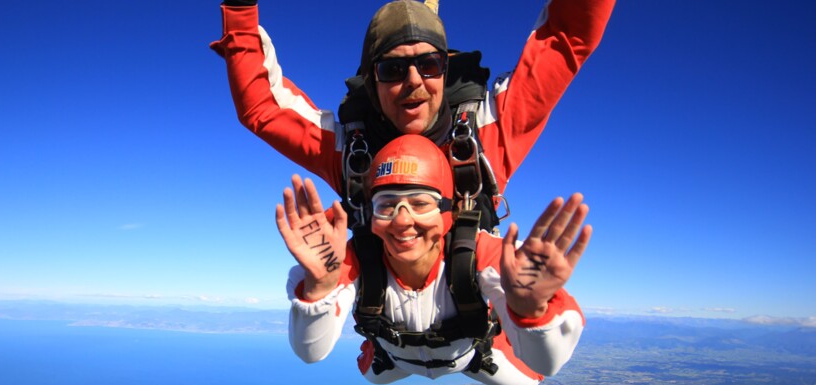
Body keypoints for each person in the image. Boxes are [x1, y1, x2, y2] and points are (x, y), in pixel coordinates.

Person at [212, 0, 615, 221]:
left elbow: (568, 35)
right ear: (371, 82)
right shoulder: (352, 148)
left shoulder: (489, 128)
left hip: (479, 344)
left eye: (429, 65)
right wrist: (240, 7)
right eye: (392, 68)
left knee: (528, 375)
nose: (414, 81)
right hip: (385, 340)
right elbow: (261, 108)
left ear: (445, 69)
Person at [275, 135, 590, 385]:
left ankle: (506, 324)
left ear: (447, 212)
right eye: (386, 205)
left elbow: (546, 365)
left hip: (473, 357)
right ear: (371, 214)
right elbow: (310, 353)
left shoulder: (487, 255)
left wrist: (531, 310)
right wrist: (319, 287)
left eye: (419, 203)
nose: (401, 221)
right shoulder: (350, 260)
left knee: (528, 384)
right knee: (372, 374)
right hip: (393, 359)